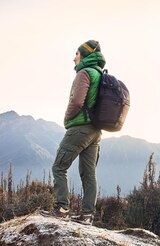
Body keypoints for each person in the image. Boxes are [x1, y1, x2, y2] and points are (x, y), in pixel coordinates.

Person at [41, 40, 105, 225]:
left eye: (76, 54)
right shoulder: (99, 74)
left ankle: (62, 209)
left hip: (80, 128)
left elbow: (77, 102)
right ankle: (87, 215)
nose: (74, 58)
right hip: (95, 130)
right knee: (89, 173)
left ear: (85, 55)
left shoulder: (84, 73)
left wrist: (67, 118)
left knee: (59, 167)